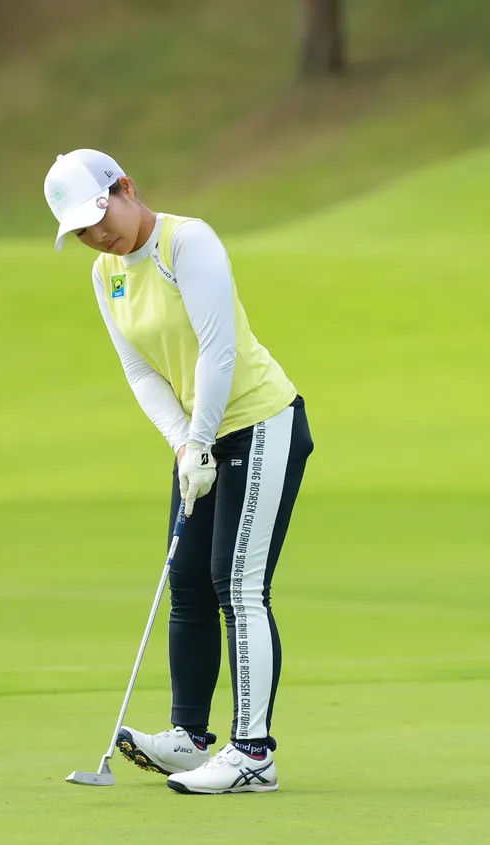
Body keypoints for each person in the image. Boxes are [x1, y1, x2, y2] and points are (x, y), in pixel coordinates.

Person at [43, 149, 313, 794]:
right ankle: (190, 739)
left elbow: (219, 350)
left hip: (259, 422)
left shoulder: (187, 243)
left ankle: (253, 754)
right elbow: (140, 371)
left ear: (125, 188)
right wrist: (185, 445)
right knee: (187, 581)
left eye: (98, 217)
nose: (95, 236)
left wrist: (199, 438)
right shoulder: (106, 275)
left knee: (237, 586)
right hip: (198, 440)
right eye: (80, 231)